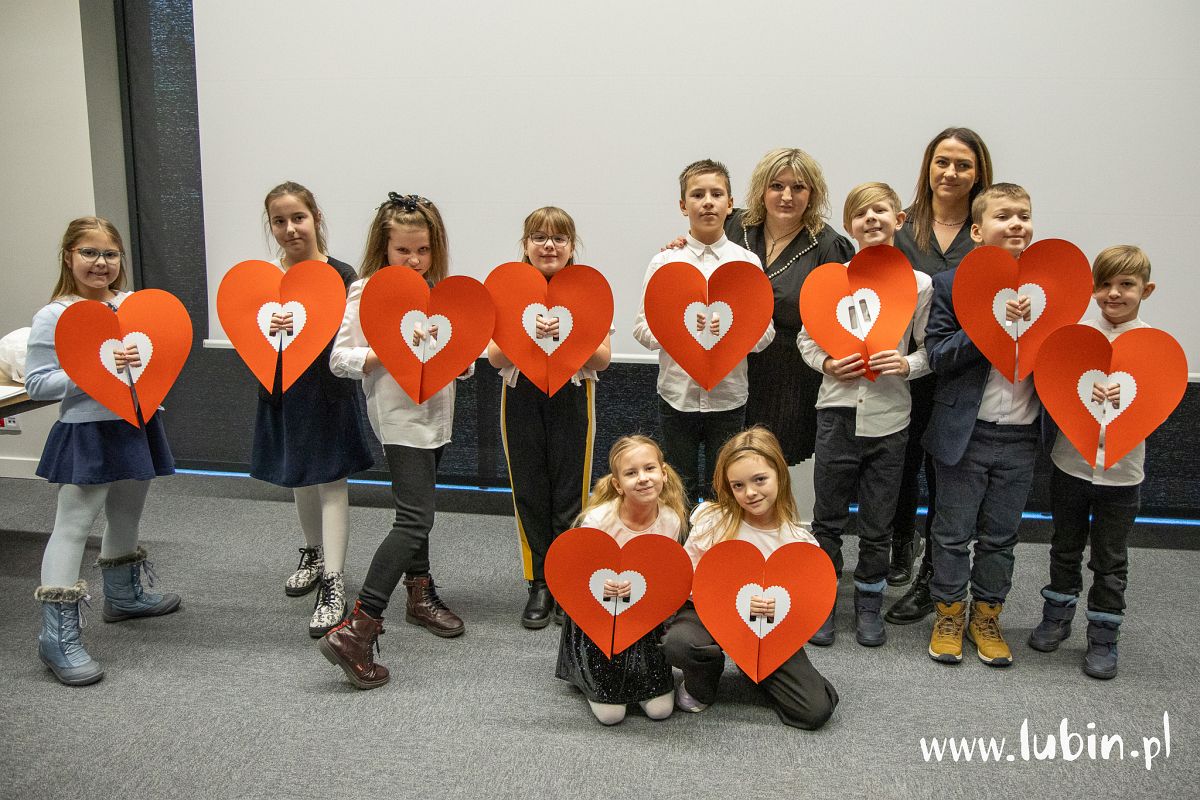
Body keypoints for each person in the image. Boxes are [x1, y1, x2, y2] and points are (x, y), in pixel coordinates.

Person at [319, 193, 468, 689]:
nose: (413, 260)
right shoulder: (367, 292)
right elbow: (340, 359)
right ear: (383, 248)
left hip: (437, 414)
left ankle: (419, 595)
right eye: (403, 250)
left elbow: (460, 361)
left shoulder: (439, 292)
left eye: (423, 250)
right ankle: (358, 628)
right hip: (399, 416)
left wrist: (458, 355)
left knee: (418, 510)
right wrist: (385, 349)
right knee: (414, 517)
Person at [26, 216, 181, 685]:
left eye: (110, 254)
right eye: (89, 253)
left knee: (127, 514)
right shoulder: (55, 315)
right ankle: (56, 638)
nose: (100, 263)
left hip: (134, 424)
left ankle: (124, 597)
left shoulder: (132, 306)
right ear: (68, 256)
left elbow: (158, 358)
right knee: (74, 525)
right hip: (87, 431)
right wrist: (92, 369)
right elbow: (37, 384)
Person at [797, 183, 933, 648]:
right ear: (849, 225)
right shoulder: (830, 280)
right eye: (860, 213)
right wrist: (828, 363)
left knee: (878, 522)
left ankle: (870, 603)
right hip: (836, 414)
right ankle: (823, 602)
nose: (871, 218)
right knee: (828, 519)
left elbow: (929, 349)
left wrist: (908, 364)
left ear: (899, 219)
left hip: (890, 419)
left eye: (880, 210)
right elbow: (806, 341)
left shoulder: (919, 284)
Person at [1027, 245, 1157, 680]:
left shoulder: (1153, 347)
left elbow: (1157, 404)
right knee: (1064, 546)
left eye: (1126, 285)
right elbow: (1052, 388)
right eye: (1105, 284)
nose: (1114, 293)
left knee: (1110, 557)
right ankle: (1057, 615)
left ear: (1146, 290)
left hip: (1123, 474)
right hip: (1072, 464)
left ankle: (1103, 634)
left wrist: (1131, 394)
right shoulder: (1074, 336)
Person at [923, 183, 1037, 667]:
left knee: (1001, 537)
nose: (1016, 224)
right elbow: (938, 355)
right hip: (964, 435)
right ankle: (949, 615)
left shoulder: (1049, 286)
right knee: (951, 533)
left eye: (1024, 216)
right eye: (1003, 216)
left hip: (1023, 434)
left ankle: (987, 617)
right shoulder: (951, 285)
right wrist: (990, 324)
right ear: (976, 230)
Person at [256, 182, 375, 637]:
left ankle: (333, 581)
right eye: (279, 221)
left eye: (298, 218)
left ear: (316, 218)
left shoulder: (342, 275)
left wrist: (307, 324)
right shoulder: (263, 278)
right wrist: (269, 325)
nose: (290, 229)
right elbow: (252, 338)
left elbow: (349, 338)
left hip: (327, 393)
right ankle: (313, 553)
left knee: (331, 483)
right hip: (282, 392)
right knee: (300, 479)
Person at [661, 427, 839, 730]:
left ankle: (756, 669)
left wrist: (781, 608)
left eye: (760, 480)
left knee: (814, 711)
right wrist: (733, 600)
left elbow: (806, 605)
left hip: (767, 629)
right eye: (738, 485)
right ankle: (704, 680)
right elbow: (688, 581)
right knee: (680, 642)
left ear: (779, 475)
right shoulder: (713, 522)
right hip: (709, 613)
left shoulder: (798, 544)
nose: (750, 493)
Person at [886, 128, 994, 624]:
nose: (951, 173)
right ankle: (899, 546)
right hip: (901, 375)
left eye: (963, 165)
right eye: (942, 162)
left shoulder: (987, 232)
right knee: (899, 466)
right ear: (927, 167)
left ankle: (932, 578)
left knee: (943, 480)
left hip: (961, 377)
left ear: (979, 173)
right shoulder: (901, 228)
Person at [488, 207, 613, 629]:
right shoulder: (508, 290)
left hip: (572, 394)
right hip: (520, 394)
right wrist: (526, 333)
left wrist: (567, 333)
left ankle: (567, 579)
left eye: (559, 238)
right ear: (525, 245)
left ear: (571, 246)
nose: (549, 246)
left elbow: (603, 359)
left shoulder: (588, 289)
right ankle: (539, 582)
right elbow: (495, 358)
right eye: (539, 237)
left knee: (570, 490)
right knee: (529, 488)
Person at [634, 158, 775, 502]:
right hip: (676, 395)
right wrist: (678, 333)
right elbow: (641, 328)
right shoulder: (665, 262)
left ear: (730, 204)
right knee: (677, 487)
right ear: (683, 205)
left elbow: (766, 333)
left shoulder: (747, 263)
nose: (708, 202)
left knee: (725, 487)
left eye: (716, 194)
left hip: (728, 396)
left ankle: (718, 538)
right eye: (697, 195)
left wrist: (733, 334)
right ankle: (680, 537)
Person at [555, 435, 688, 724]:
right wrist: (601, 585)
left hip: (643, 617)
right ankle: (588, 677)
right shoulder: (599, 520)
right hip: (599, 618)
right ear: (617, 485)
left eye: (650, 468)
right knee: (611, 715)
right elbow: (577, 575)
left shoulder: (671, 520)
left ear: (664, 474)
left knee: (661, 710)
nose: (643, 478)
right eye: (631, 473)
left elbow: (666, 576)